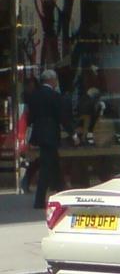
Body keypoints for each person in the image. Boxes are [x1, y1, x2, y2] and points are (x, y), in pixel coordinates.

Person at [28, 70, 77, 208]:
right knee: (46, 167)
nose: (56, 82)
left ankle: (61, 193)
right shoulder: (54, 96)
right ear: (51, 80)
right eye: (55, 80)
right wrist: (72, 133)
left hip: (39, 134)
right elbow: (62, 117)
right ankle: (39, 201)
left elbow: (31, 117)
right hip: (51, 134)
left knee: (54, 164)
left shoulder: (34, 96)